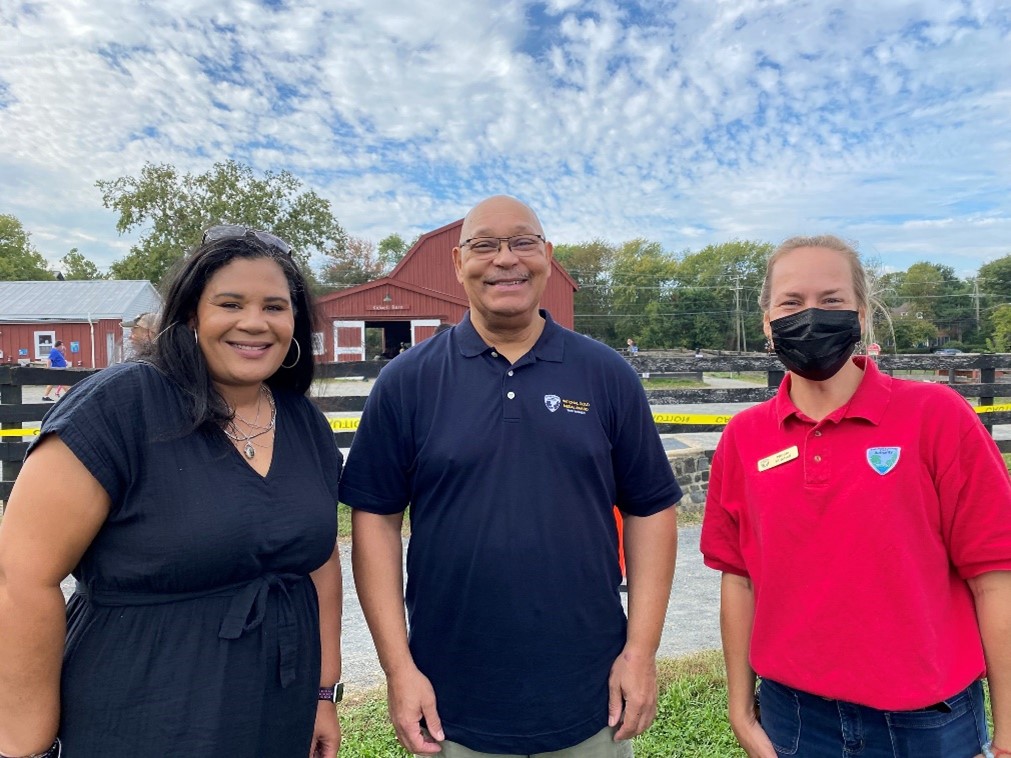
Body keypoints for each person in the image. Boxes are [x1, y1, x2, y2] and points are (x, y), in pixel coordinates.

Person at [340, 195, 681, 757]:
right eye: (485, 246)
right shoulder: (406, 382)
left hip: (590, 696)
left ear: (547, 256)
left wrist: (641, 653)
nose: (505, 259)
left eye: (523, 242)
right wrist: (399, 669)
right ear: (458, 262)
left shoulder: (606, 375)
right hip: (450, 702)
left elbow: (650, 509)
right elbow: (374, 522)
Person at [0, 225, 344, 757]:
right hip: (140, 714)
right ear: (191, 316)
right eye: (230, 303)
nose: (255, 322)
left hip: (276, 711)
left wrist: (322, 693)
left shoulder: (305, 423)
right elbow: (22, 579)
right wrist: (27, 746)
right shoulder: (119, 408)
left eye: (275, 307)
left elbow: (317, 560)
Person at [700, 235, 1011, 758]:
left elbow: (995, 575)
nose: (811, 317)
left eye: (832, 300)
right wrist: (739, 708)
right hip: (794, 717)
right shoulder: (744, 438)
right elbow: (738, 578)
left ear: (861, 315)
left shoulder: (937, 416)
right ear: (767, 323)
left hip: (927, 722)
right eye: (791, 303)